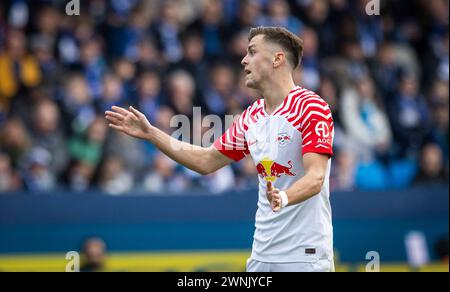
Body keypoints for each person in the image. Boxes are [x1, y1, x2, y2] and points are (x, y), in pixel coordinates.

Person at [105, 26, 335, 272]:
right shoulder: (252, 116)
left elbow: (316, 177)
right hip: (261, 254)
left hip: (305, 255)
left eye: (252, 52)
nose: (244, 59)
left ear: (277, 58)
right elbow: (206, 160)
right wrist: (152, 134)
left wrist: (284, 197)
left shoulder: (311, 107)